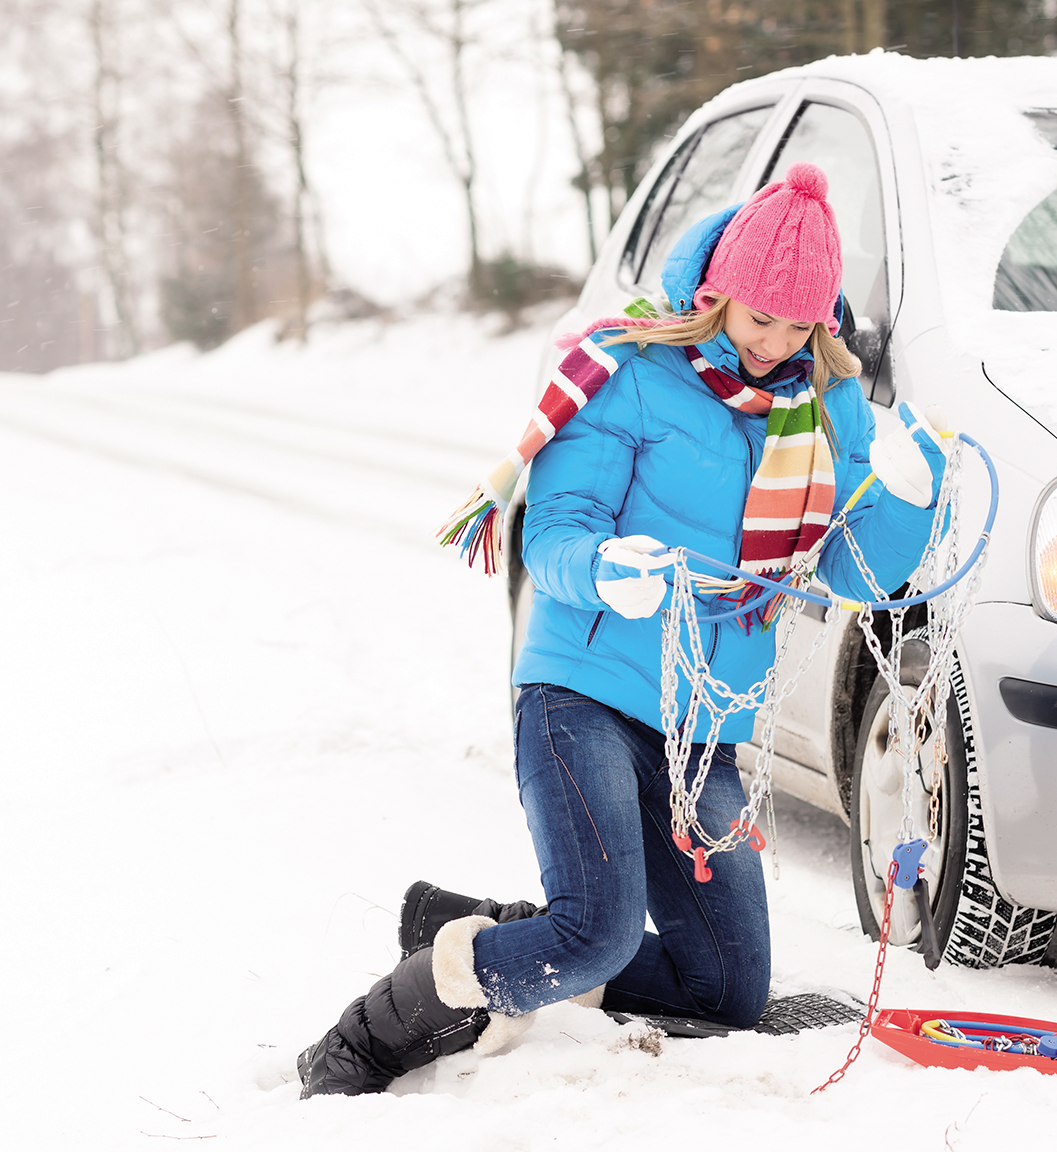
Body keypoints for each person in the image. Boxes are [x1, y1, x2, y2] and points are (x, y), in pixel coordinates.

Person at [296, 163, 949, 1099]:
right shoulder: (628, 370)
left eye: (795, 324)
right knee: (599, 932)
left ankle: (504, 933)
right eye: (755, 316)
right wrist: (608, 569)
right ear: (716, 292)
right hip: (582, 691)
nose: (771, 343)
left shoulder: (824, 402)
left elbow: (856, 572)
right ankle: (381, 1026)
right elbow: (555, 530)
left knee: (726, 988)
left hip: (699, 731)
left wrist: (906, 503)